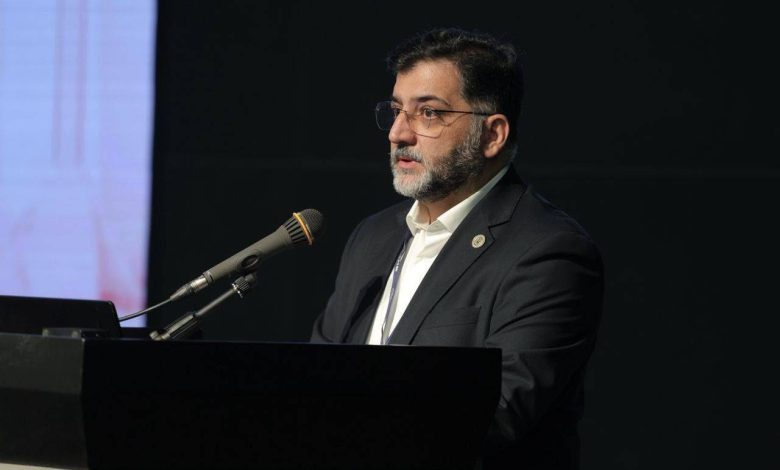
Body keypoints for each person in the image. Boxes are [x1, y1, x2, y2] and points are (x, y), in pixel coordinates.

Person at [311, 28, 603, 470]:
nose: (398, 133)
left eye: (428, 113)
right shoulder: (373, 237)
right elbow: (315, 381)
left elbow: (494, 415)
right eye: (397, 110)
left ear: (492, 134)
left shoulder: (549, 253)